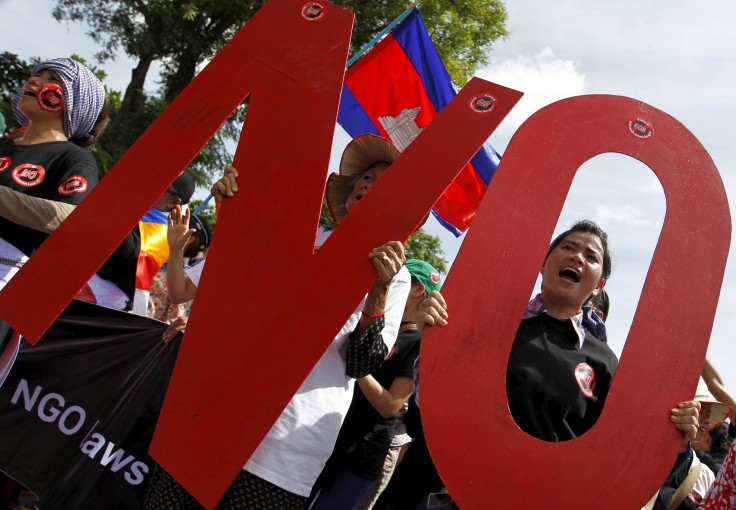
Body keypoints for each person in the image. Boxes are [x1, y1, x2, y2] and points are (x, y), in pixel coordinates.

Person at [145, 134, 415, 509]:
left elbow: (361, 364)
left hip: (285, 448)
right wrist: (235, 210)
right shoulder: (294, 236)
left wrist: (379, 290)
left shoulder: (395, 276)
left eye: (381, 181)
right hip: (215, 412)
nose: (367, 184)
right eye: (365, 177)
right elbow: (225, 294)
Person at [309, 259, 446, 510]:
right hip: (332, 438)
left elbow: (391, 405)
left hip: (361, 455)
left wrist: (355, 359)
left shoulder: (419, 342)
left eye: (398, 280)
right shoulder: (379, 326)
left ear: (416, 290)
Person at [0, 57, 107, 258]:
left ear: (76, 101)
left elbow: (72, 218)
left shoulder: (74, 159)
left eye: (52, 78)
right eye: (37, 74)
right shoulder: (3, 145)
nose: (33, 80)